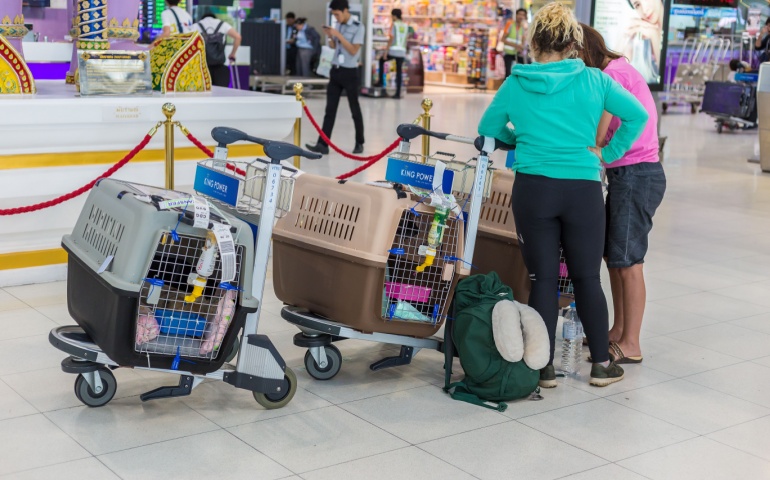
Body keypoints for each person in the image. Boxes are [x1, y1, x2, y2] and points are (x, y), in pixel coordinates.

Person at [477, 2, 648, 388]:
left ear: (534, 43)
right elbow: (638, 115)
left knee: (543, 281)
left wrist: (517, 137)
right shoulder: (595, 81)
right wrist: (608, 153)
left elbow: (489, 127)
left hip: (534, 190)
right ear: (573, 43)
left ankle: (544, 368)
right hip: (582, 191)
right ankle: (602, 365)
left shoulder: (517, 82)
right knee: (587, 278)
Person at [580, 24, 665, 365]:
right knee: (614, 258)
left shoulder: (612, 75)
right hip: (627, 175)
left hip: (637, 175)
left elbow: (599, 133)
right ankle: (617, 331)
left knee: (629, 262)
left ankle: (631, 342)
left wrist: (594, 148)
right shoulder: (616, 70)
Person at [306, 0, 365, 155]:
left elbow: (353, 50)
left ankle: (359, 142)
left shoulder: (359, 27)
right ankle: (322, 144)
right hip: (336, 71)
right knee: (330, 110)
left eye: (337, 14)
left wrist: (338, 34)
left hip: (350, 72)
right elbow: (335, 47)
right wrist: (331, 38)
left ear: (345, 10)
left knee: (354, 109)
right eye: (334, 15)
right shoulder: (338, 25)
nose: (336, 18)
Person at [619, 0, 664, 83]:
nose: (644, 10)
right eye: (637, 5)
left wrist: (654, 36)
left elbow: (668, 79)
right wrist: (624, 38)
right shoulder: (639, 37)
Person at [196, 12, 242, 88]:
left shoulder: (196, 26)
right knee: (221, 94)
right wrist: (232, 54)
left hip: (202, 69)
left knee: (204, 95)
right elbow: (238, 37)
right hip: (220, 67)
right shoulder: (223, 25)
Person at [376, 8, 409, 98]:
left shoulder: (394, 25)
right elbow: (406, 39)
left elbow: (391, 38)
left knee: (381, 61)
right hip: (402, 51)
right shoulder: (406, 25)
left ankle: (381, 82)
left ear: (394, 16)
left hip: (394, 51)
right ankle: (397, 93)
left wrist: (386, 52)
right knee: (399, 72)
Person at [502, 8, 528, 77]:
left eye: (523, 15)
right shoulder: (510, 24)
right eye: (519, 14)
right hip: (508, 53)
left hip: (517, 53)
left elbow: (523, 41)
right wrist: (516, 46)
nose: (521, 16)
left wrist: (521, 47)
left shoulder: (522, 28)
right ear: (516, 15)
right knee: (508, 74)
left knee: (526, 66)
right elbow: (503, 39)